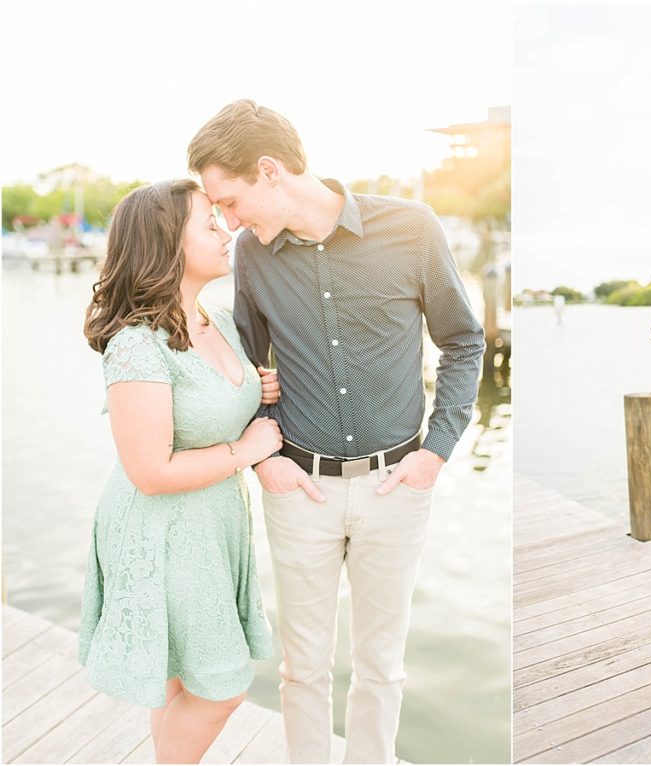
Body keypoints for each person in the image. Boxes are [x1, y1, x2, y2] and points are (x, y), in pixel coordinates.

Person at [187, 100, 485, 764]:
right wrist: (265, 460)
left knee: (381, 668)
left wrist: (436, 452)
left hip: (397, 485)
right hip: (298, 489)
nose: (229, 219)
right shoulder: (250, 254)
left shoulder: (411, 229)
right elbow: (248, 366)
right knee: (303, 669)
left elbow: (464, 342)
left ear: (270, 171)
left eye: (231, 201)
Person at [80, 180, 284, 763]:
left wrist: (254, 387)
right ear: (167, 245)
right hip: (161, 532)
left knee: (179, 678)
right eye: (209, 223)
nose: (227, 230)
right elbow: (149, 470)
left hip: (211, 526)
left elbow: (213, 400)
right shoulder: (136, 344)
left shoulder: (214, 318)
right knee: (221, 689)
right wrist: (246, 451)